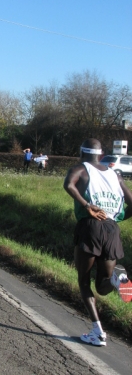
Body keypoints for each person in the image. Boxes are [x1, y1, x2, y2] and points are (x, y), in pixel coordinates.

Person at [64, 138, 132, 346]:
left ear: (81, 153)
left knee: (84, 281)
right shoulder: (115, 175)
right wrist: (117, 217)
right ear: (101, 154)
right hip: (111, 229)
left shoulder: (80, 169)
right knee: (103, 285)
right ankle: (116, 279)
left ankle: (98, 332)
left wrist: (87, 206)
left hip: (90, 227)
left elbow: (68, 185)